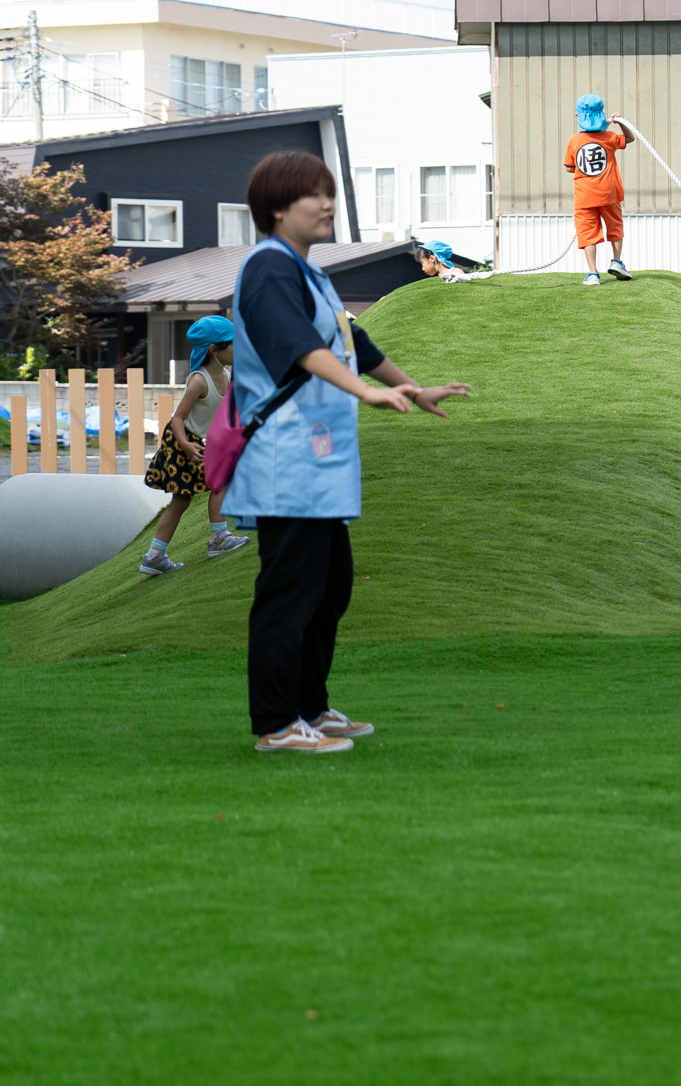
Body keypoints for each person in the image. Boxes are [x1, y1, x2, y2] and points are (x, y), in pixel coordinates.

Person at [226, 151, 472, 755]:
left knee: (329, 586)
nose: (327, 203)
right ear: (278, 208)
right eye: (313, 194)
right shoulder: (268, 269)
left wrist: (410, 384)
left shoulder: (309, 272)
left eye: (330, 192)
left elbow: (350, 340)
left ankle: (310, 706)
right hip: (285, 459)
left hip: (317, 458)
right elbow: (300, 345)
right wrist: (368, 392)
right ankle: (277, 723)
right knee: (289, 589)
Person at [138, 315, 250, 575]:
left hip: (204, 441)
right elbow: (177, 418)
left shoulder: (225, 372)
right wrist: (186, 446)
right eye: (233, 343)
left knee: (190, 496)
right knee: (190, 495)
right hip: (183, 442)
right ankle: (217, 539)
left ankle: (155, 555)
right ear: (214, 349)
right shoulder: (199, 380)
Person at [562, 94, 635, 285]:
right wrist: (619, 122)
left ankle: (593, 273)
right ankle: (617, 261)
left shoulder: (574, 141)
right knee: (615, 227)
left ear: (579, 115)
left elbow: (570, 168)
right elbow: (630, 138)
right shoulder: (610, 137)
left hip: (585, 196)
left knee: (588, 233)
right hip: (609, 193)